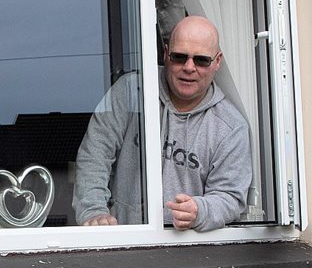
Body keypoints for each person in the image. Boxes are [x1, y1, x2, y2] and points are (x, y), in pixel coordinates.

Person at [73, 16, 252, 231]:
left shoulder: (231, 127)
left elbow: (230, 196)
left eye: (201, 60)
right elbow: (94, 156)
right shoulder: (130, 93)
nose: (189, 67)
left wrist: (200, 210)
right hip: (122, 242)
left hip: (187, 250)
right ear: (166, 54)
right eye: (179, 57)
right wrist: (94, 212)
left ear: (217, 61)